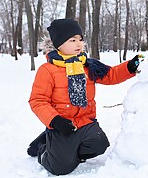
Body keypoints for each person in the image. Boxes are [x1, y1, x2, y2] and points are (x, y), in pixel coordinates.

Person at [27, 19, 140, 175]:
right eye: (72, 40)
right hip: (62, 125)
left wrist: (131, 66)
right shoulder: (48, 70)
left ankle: (64, 151)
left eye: (80, 39)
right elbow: (38, 100)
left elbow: (111, 75)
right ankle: (44, 149)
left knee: (99, 144)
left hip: (85, 122)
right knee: (61, 168)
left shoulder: (88, 65)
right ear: (58, 44)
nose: (78, 44)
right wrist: (55, 120)